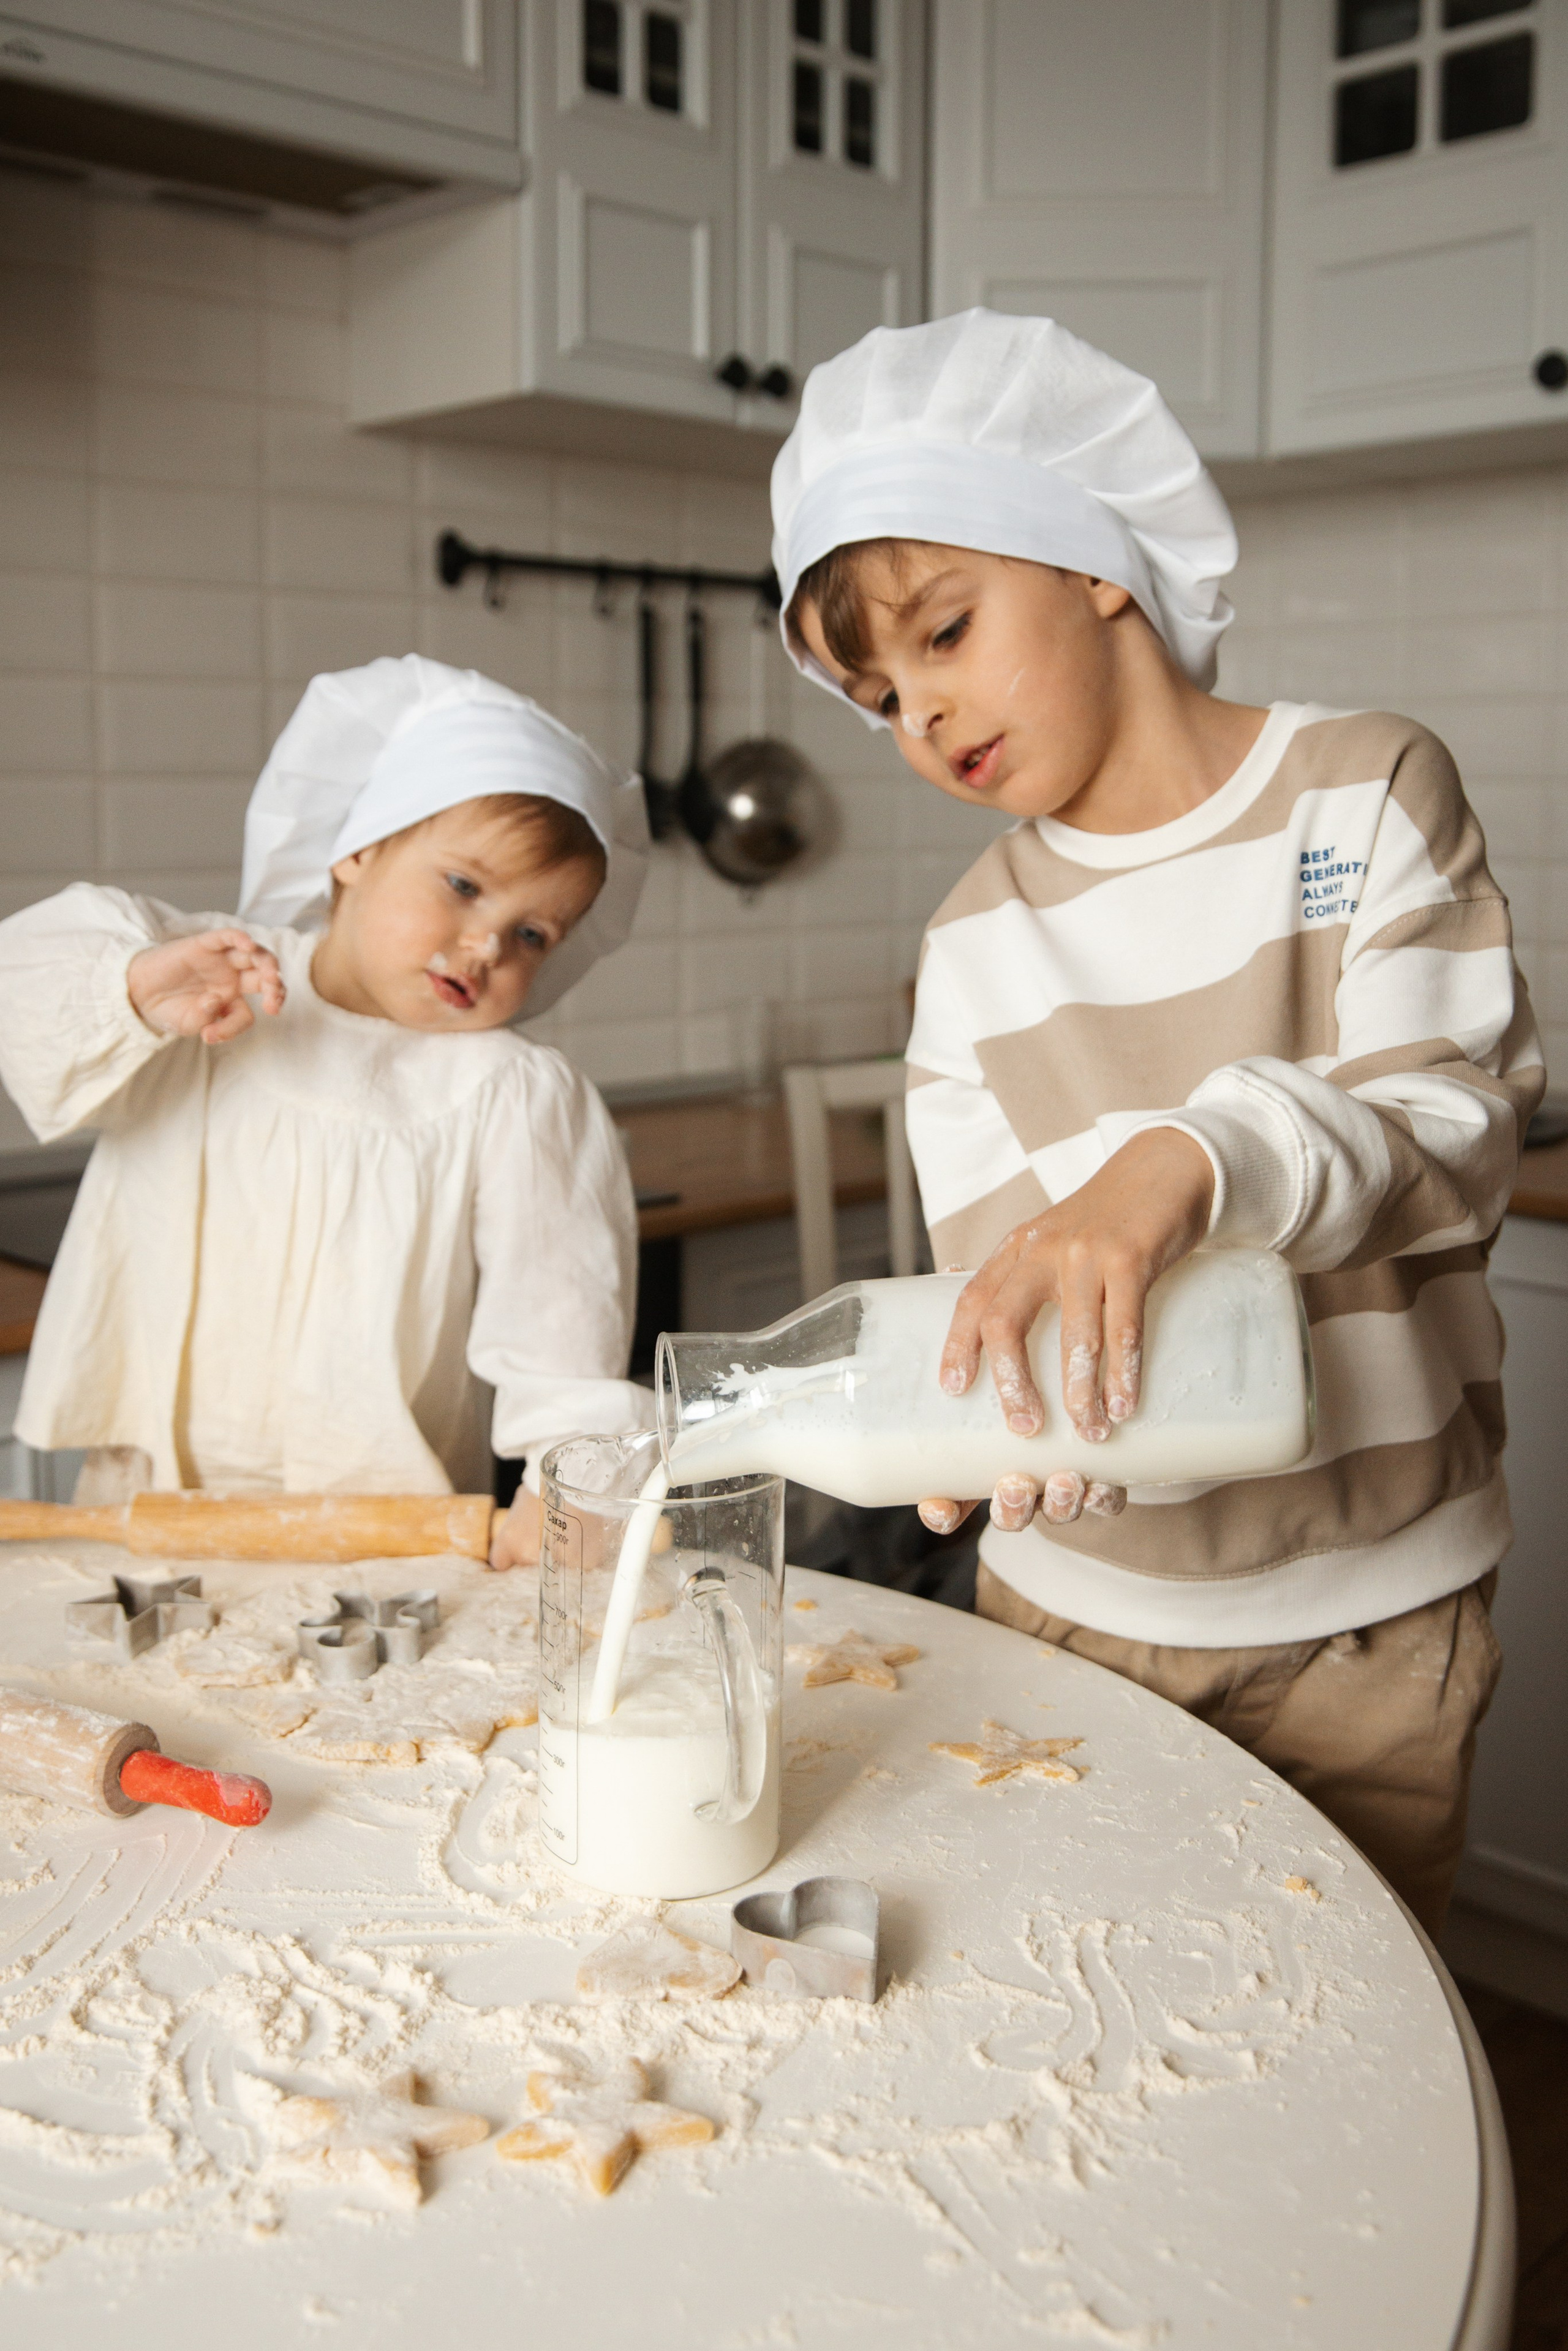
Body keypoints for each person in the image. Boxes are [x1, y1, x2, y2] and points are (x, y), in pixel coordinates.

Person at [771, 309, 1545, 1934]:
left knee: (1349, 2066)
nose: (920, 711)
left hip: (1370, 1625)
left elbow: (1449, 1128)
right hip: (1072, 1626)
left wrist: (1186, 1161)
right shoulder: (973, 944)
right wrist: (997, 1423)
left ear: (1096, 562)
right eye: (879, 690)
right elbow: (1017, 1286)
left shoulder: (1365, 788)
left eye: (950, 628)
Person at [0, 655, 654, 1569]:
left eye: (533, 934)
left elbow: (563, 1333)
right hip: (145, 1516)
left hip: (382, 1544)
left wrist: (567, 1496)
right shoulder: (206, 979)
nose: (485, 945)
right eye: (464, 885)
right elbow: (27, 990)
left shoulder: (511, 1094)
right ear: (359, 845)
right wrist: (134, 991)